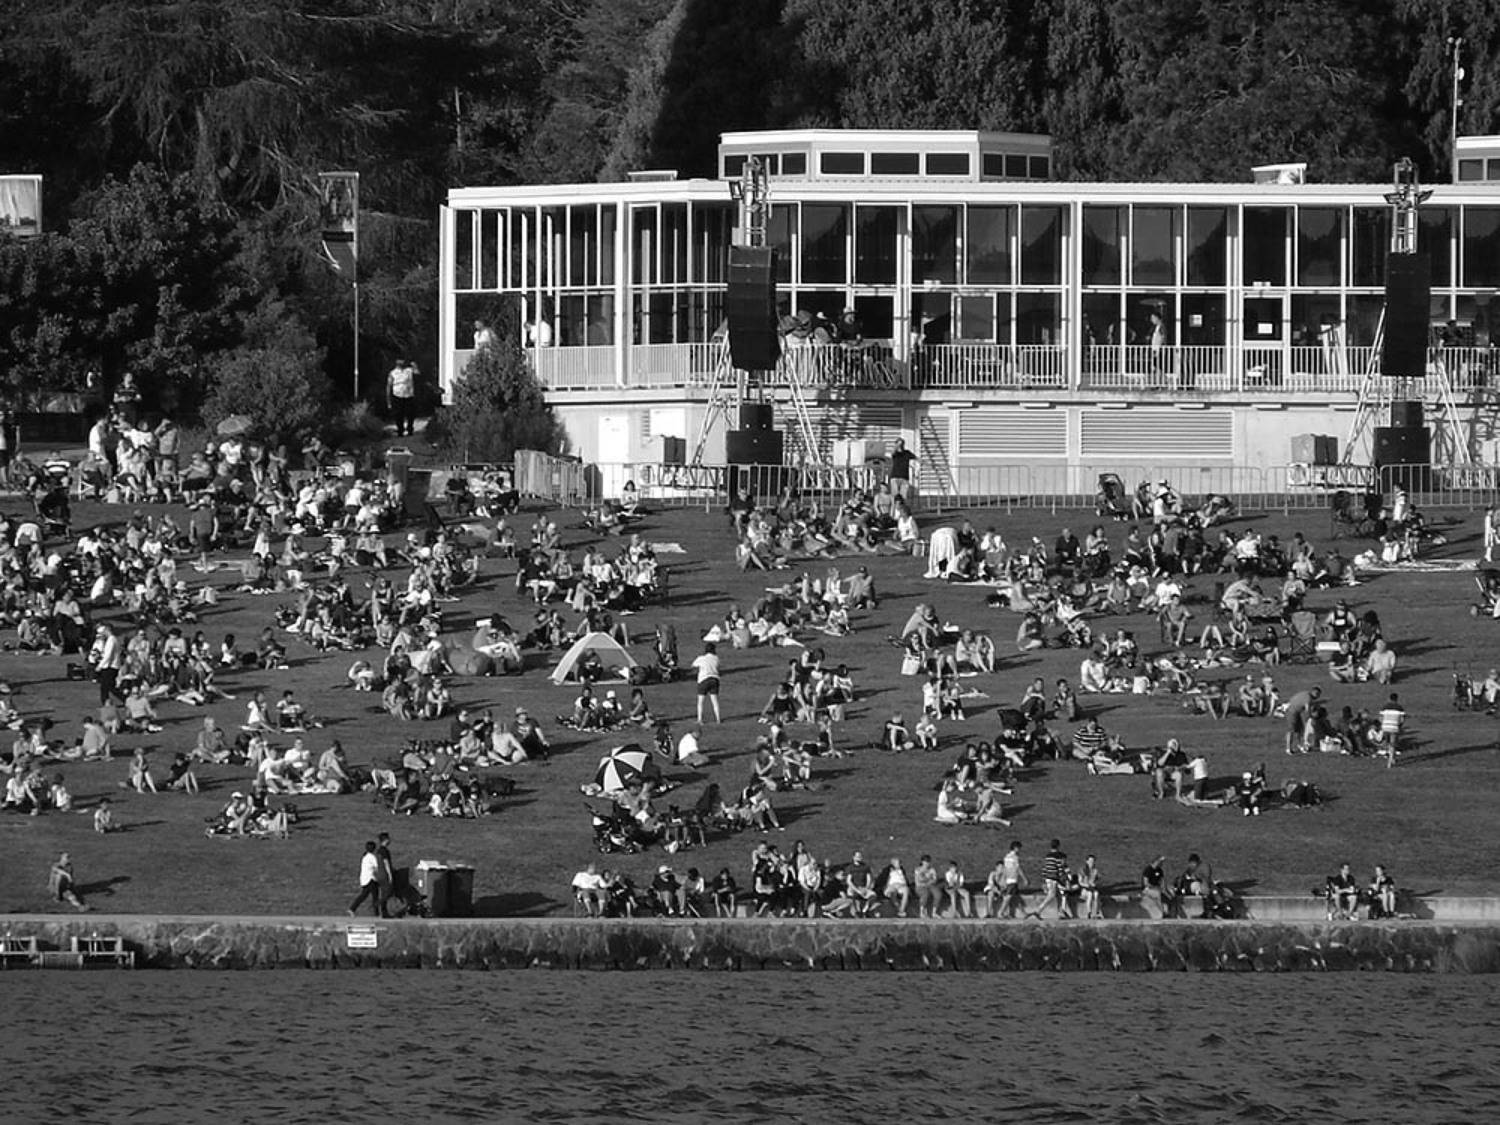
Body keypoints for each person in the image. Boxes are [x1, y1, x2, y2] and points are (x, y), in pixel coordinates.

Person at [1029, 838, 1072, 920]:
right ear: (1058, 846)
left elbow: (1045, 868)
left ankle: (1061, 913)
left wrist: (1044, 879)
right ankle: (1038, 911)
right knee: (1051, 895)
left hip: (1048, 878)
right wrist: (1063, 879)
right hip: (1054, 878)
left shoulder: (1048, 856)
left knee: (1059, 895)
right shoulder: (1058, 856)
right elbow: (1059, 868)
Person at [347, 840, 382, 917]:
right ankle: (376, 913)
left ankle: (352, 908)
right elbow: (377, 868)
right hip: (371, 879)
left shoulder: (365, 857)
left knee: (364, 895)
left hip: (364, 879)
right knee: (375, 896)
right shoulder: (372, 857)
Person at [387, 357, 418, 437]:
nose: (401, 362)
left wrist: (414, 365)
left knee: (410, 414)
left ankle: (410, 429)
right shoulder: (393, 373)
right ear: (396, 361)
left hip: (409, 395)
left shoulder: (409, 371)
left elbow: (417, 374)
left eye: (402, 360)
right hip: (397, 396)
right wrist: (388, 400)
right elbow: (389, 386)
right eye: (400, 360)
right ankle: (400, 430)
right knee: (398, 415)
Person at [691, 643, 722, 724]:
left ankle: (700, 719)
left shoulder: (701, 658)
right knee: (715, 700)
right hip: (715, 679)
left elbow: (693, 665)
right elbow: (719, 667)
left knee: (700, 701)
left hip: (704, 679)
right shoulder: (716, 658)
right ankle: (718, 719)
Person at [996, 840, 1027, 919]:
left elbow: (1005, 869)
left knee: (1016, 897)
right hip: (1013, 879)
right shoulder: (1015, 857)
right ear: (1015, 848)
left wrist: (1003, 879)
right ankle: (1000, 912)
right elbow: (1018, 869)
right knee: (1008, 897)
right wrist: (1024, 879)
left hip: (1008, 879)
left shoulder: (1006, 857)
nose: (1019, 850)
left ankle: (1024, 913)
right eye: (1019, 848)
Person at [1378, 693, 1406, 768]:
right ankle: (1390, 761)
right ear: (1397, 699)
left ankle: (1391, 757)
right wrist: (1399, 726)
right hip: (1394, 727)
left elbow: (1380, 718)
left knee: (1388, 743)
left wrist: (1383, 724)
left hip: (1385, 727)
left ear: (1389, 699)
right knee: (1393, 744)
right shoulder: (1400, 708)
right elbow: (1402, 720)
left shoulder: (1384, 707)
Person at [888, 437, 916, 502]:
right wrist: (897, 445)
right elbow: (892, 453)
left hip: (904, 477)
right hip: (895, 476)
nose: (901, 445)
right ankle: (894, 507)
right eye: (899, 444)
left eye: (902, 444)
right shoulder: (895, 453)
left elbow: (916, 458)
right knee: (894, 496)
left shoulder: (907, 453)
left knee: (903, 496)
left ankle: (902, 507)